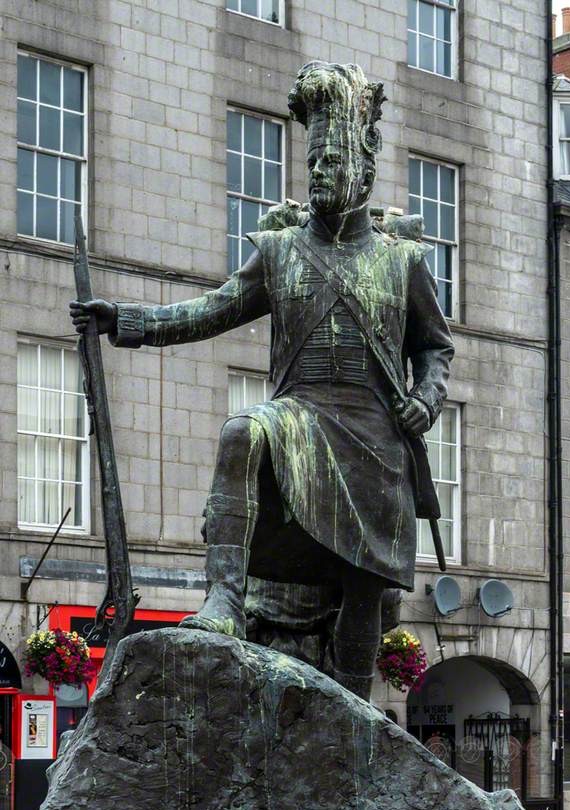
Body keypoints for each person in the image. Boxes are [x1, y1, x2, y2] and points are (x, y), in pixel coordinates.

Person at [71, 61, 454, 699]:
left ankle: (355, 713)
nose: (320, 172)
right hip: (301, 415)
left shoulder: (403, 260)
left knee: (363, 586)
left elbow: (435, 347)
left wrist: (426, 396)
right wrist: (129, 321)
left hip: (377, 438)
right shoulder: (280, 251)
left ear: (362, 161)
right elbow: (212, 309)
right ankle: (224, 594)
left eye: (332, 159)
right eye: (313, 162)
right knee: (244, 430)